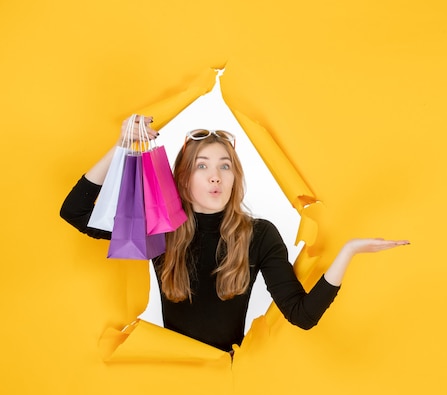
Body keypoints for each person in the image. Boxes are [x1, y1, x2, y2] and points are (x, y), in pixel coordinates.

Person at [60, 115, 409, 353]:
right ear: (183, 177)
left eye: (224, 166)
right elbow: (74, 211)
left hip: (229, 386)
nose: (216, 176)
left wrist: (347, 251)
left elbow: (302, 316)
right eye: (203, 166)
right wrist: (122, 145)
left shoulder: (259, 235)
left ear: (235, 177)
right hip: (169, 380)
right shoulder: (162, 229)